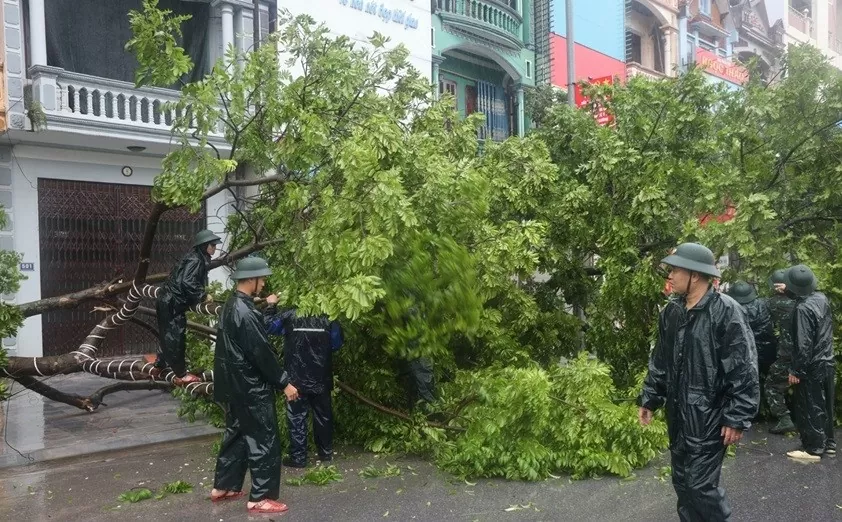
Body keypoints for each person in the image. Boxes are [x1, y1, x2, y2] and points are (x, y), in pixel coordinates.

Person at [639, 242, 759, 522]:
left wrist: (737, 416)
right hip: (679, 414)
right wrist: (650, 397)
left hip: (709, 417)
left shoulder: (725, 311)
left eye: (674, 270)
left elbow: (743, 367)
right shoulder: (672, 312)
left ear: (694, 274)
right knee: (682, 484)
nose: (669, 276)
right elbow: (660, 361)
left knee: (701, 487)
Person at [211, 257, 299, 514]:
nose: (263, 283)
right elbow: (261, 353)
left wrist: (266, 305)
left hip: (233, 386)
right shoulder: (246, 313)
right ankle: (260, 497)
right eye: (262, 279)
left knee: (237, 434)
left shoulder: (231, 305)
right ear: (252, 279)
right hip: (251, 387)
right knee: (264, 438)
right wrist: (284, 383)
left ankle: (223, 487)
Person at [265, 307, 343, 468]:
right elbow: (336, 343)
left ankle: (299, 457)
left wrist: (270, 307)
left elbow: (267, 326)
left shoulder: (289, 315)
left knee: (296, 418)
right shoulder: (329, 315)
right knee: (323, 416)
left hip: (296, 379)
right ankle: (325, 454)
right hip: (321, 376)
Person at [151, 229, 221, 384]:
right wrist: (202, 295)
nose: (214, 248)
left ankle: (160, 364)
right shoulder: (196, 260)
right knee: (175, 336)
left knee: (166, 334)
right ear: (204, 246)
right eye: (212, 245)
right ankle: (181, 375)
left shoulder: (192, 257)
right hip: (172, 302)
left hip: (165, 298)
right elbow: (188, 282)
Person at [782, 265, 836, 461]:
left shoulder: (802, 309)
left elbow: (803, 343)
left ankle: (813, 449)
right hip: (827, 361)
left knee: (809, 406)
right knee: (825, 405)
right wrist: (789, 291)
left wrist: (796, 370)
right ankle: (828, 443)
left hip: (811, 365)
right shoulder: (821, 299)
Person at [727, 280, 777, 416]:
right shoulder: (763, 304)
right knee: (769, 380)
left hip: (747, 351)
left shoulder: (733, 309)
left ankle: (754, 412)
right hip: (768, 349)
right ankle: (772, 411)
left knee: (748, 381)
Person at [765, 269, 797, 434]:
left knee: (772, 385)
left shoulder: (772, 303)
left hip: (787, 354)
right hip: (805, 353)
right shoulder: (802, 301)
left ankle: (784, 419)